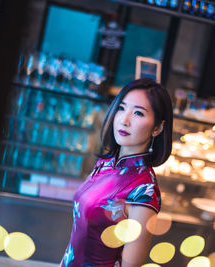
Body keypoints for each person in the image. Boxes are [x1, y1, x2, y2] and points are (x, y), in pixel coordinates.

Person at [61, 78, 173, 267]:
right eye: (121, 108)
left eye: (138, 113)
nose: (124, 120)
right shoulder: (105, 163)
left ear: (157, 128)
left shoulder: (144, 191)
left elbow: (130, 265)